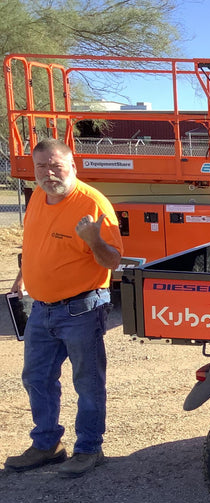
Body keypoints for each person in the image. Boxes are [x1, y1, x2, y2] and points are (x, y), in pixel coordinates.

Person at [4, 138, 123, 477]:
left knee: (87, 382)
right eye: (42, 166)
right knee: (37, 378)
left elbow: (113, 260)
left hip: (81, 309)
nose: (49, 173)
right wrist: (22, 275)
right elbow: (34, 242)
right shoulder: (39, 196)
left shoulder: (92, 203)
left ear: (73, 166)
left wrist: (94, 240)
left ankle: (89, 448)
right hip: (41, 308)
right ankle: (47, 445)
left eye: (56, 166)